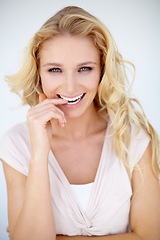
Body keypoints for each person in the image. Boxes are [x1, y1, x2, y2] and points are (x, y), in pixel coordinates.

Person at [0, 5, 160, 240]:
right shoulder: (16, 144)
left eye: (84, 68)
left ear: (102, 71)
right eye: (55, 70)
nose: (70, 88)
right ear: (38, 74)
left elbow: (150, 236)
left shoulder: (133, 137)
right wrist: (39, 154)